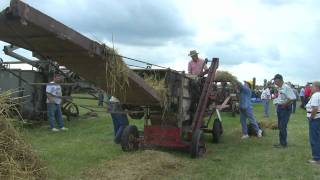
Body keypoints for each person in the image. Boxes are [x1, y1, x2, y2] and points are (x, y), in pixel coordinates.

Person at [272, 74, 296, 148]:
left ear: (279, 80)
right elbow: (281, 97)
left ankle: (283, 144)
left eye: (275, 80)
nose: (274, 82)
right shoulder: (279, 88)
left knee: (282, 126)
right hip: (280, 107)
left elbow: (293, 98)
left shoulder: (286, 87)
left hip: (285, 108)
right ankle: (281, 142)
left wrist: (285, 104)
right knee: (280, 126)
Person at [306, 81, 320, 165]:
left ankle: (316, 159)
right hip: (318, 118)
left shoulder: (315, 95)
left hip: (315, 119)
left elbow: (315, 108)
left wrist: (311, 118)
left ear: (316, 87)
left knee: (314, 139)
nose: (311, 88)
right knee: (317, 137)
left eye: (312, 86)